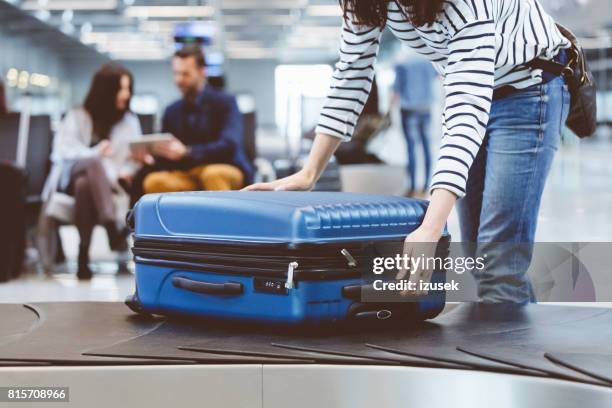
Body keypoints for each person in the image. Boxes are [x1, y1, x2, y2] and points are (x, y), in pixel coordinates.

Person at [245, 0, 572, 304]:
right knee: (478, 254)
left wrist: (431, 227)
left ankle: (511, 362)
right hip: (476, 90)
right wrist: (309, 172)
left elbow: (465, 114)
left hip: (529, 91)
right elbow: (351, 73)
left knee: (498, 262)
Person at [45, 63, 141, 279]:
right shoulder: (77, 115)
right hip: (70, 176)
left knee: (85, 185)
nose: (126, 95)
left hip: (109, 185)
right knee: (93, 163)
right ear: (106, 91)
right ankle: (110, 226)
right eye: (121, 89)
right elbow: (62, 151)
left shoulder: (130, 121)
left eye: (128, 89)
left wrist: (128, 169)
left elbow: (131, 159)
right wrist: (95, 153)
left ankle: (83, 254)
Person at [130, 46, 254, 204]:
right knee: (154, 181)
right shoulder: (172, 111)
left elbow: (229, 145)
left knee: (213, 175)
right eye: (176, 73)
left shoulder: (226, 103)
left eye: (185, 74)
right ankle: (176, 227)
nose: (179, 80)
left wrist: (188, 152)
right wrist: (150, 157)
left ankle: (219, 228)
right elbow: (169, 154)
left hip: (225, 167)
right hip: (188, 173)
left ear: (202, 72)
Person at [391, 55, 437, 196]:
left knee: (411, 148)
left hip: (408, 110)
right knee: (426, 147)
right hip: (426, 108)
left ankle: (411, 187)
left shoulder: (402, 62)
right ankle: (426, 186)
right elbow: (438, 77)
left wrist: (388, 111)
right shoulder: (430, 61)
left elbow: (396, 89)